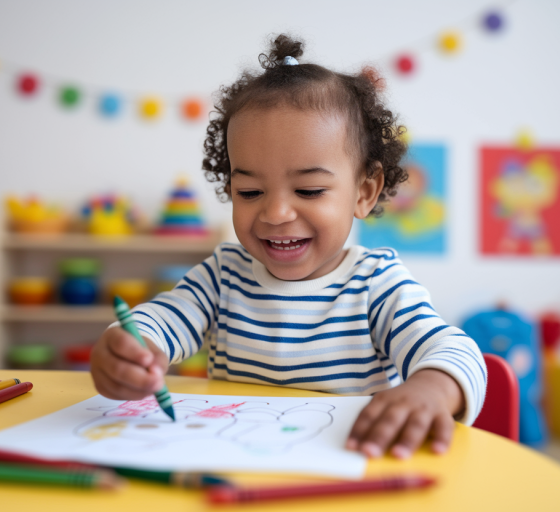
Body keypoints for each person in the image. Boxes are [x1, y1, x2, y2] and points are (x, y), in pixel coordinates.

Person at [90, 34, 486, 460]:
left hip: (347, 468)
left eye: (310, 190)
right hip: (233, 464)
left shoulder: (377, 285)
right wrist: (130, 349)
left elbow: (454, 351)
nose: (276, 212)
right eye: (250, 191)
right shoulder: (224, 274)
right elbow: (163, 320)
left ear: (364, 191)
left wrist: (431, 389)